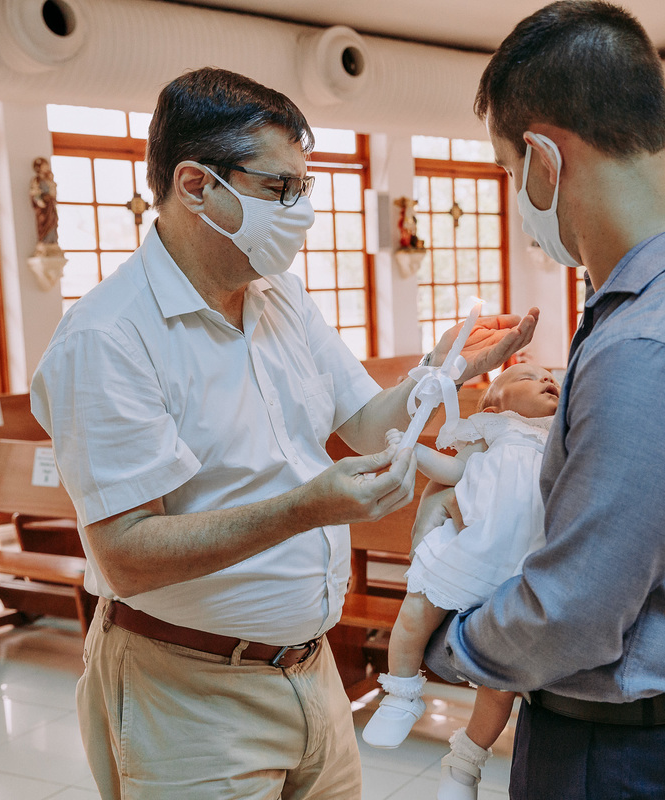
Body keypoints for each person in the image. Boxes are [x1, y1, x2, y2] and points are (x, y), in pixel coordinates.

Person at [29, 67, 537, 800]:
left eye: (303, 188)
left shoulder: (280, 298)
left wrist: (442, 372)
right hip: (188, 689)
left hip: (310, 669)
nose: (299, 211)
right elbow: (127, 553)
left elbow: (363, 422)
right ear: (196, 185)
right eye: (279, 190)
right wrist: (306, 508)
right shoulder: (108, 338)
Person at [421, 3, 665, 799]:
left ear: (545, 161)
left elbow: (574, 610)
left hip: (629, 759)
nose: (518, 194)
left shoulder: (649, 339)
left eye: (510, 170)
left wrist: (447, 641)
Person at [363, 363, 561, 799]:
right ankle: (401, 691)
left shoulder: (560, 441)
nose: (548, 379)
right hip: (471, 550)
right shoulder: (495, 434)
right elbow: (450, 472)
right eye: (529, 375)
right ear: (496, 402)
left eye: (552, 376)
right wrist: (412, 450)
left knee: (502, 681)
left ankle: (465, 762)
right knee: (415, 613)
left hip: (520, 575)